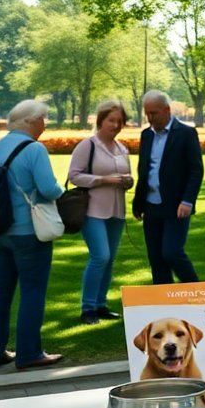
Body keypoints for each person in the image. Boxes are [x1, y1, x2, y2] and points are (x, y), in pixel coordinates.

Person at [0, 100, 66, 370]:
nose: (45, 124)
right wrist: (61, 191)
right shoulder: (34, 148)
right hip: (28, 232)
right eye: (43, 119)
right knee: (32, 290)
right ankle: (29, 353)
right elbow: (48, 189)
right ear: (30, 121)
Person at [68, 99, 134, 325]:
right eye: (111, 120)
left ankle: (100, 304)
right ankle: (87, 308)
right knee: (100, 256)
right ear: (100, 121)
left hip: (116, 211)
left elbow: (127, 177)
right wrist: (103, 179)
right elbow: (74, 175)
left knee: (110, 259)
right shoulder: (88, 145)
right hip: (93, 210)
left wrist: (128, 182)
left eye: (120, 121)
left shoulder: (122, 148)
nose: (116, 125)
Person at [133, 91, 204, 285]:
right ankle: (164, 304)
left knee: (172, 252)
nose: (150, 118)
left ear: (166, 110)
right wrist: (138, 203)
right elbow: (144, 170)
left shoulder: (186, 134)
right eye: (147, 113)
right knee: (156, 259)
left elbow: (196, 170)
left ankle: (197, 293)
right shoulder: (146, 135)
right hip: (151, 205)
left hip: (177, 206)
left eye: (154, 113)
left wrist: (188, 200)